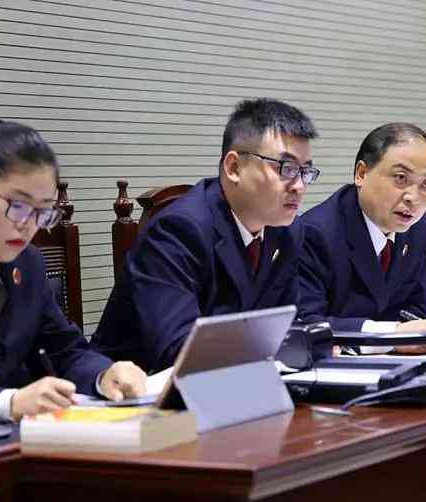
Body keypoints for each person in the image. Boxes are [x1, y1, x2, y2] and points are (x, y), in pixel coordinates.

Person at [0, 116, 147, 427]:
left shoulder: (27, 263)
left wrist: (104, 374)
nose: (29, 225)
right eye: (17, 205)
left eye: (43, 212)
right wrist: (7, 403)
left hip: (22, 441)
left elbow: (65, 350)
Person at [91, 98, 319, 373]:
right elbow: (178, 350)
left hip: (235, 381)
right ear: (234, 168)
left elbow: (289, 325)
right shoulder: (178, 231)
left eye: (305, 171)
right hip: (138, 389)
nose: (299, 186)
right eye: (287, 168)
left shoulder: (286, 231)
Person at [297, 123, 426, 353]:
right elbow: (306, 323)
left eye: (425, 184)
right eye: (401, 178)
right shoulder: (316, 233)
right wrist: (391, 336)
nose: (413, 197)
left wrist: (405, 336)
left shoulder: (418, 228)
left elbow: (420, 306)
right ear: (361, 174)